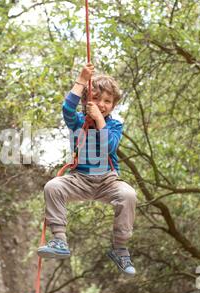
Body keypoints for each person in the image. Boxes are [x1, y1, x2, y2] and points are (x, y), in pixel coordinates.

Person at [37, 63, 137, 275]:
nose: (102, 104)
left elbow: (109, 145)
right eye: (97, 99)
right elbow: (67, 109)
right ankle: (59, 240)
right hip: (80, 179)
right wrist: (81, 81)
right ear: (86, 101)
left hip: (107, 181)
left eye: (107, 101)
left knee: (128, 194)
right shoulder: (77, 122)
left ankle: (120, 248)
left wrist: (100, 120)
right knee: (53, 187)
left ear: (113, 105)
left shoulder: (115, 125)